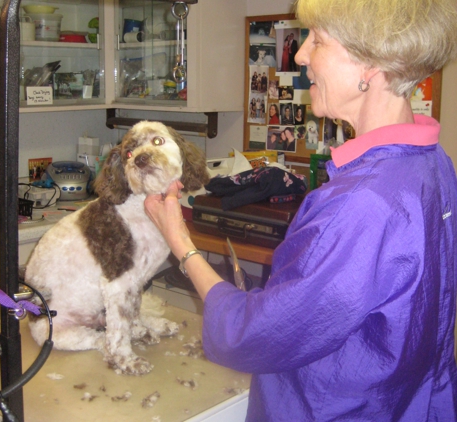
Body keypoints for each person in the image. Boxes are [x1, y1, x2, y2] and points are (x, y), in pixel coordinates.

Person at [145, 0, 457, 420]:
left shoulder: (359, 204)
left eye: (319, 40)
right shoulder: (432, 162)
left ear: (370, 66)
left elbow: (252, 334)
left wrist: (180, 243)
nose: (301, 53)